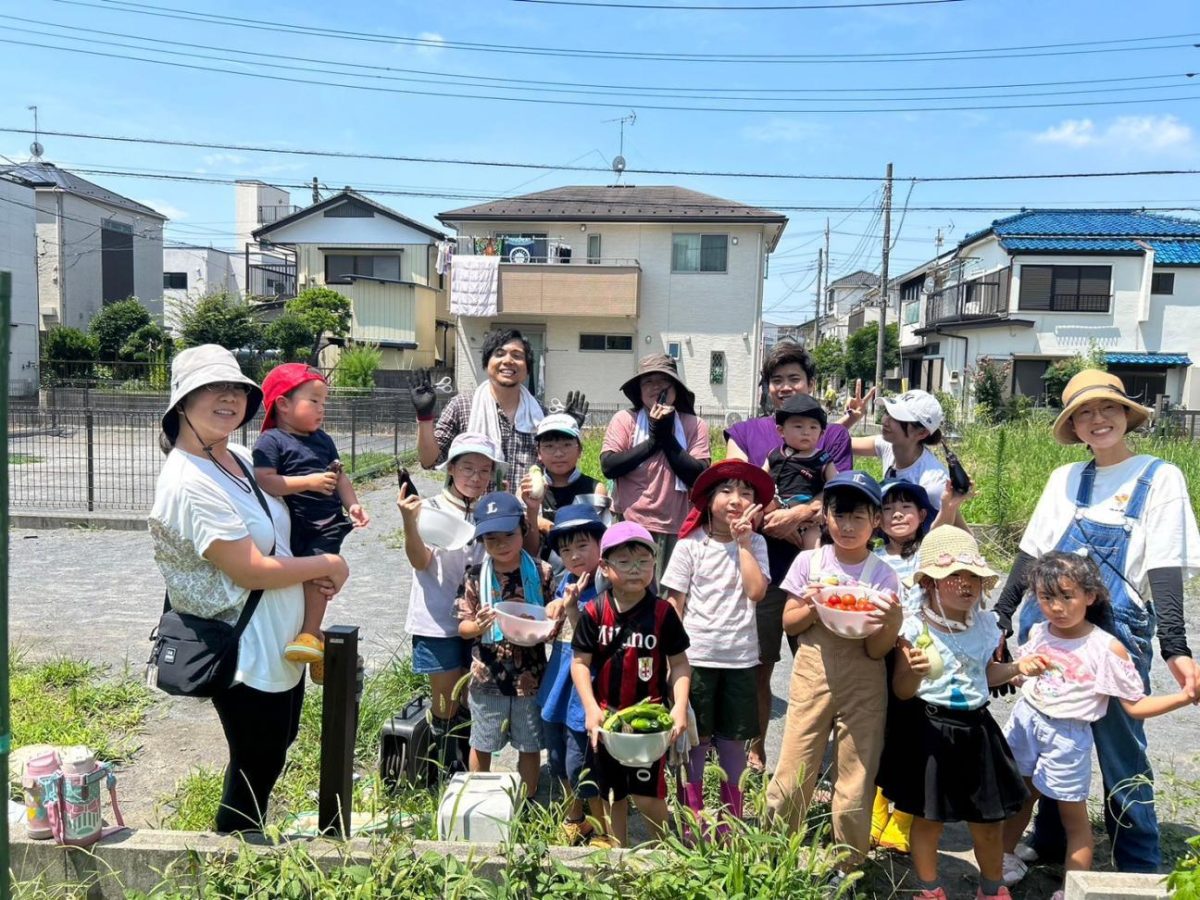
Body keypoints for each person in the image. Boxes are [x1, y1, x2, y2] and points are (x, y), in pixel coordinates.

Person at [993, 369, 1200, 874]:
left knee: (1120, 750)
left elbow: (1165, 565)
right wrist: (1000, 619)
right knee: (1051, 736)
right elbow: (1031, 556)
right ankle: (1049, 843)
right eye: (1083, 412)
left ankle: (1138, 860)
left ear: (1127, 414)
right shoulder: (1065, 478)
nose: (1097, 419)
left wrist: (1175, 645)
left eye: (1107, 408)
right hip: (1050, 626)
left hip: (1117, 635)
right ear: (1073, 425)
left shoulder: (1160, 476)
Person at [149, 345, 348, 833]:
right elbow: (251, 570)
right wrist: (326, 563)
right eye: (212, 389)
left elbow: (284, 527)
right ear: (181, 403)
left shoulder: (236, 456)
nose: (229, 398)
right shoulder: (186, 481)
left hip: (279, 643)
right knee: (255, 763)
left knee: (276, 747)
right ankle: (233, 853)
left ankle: (243, 847)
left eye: (237, 389)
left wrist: (314, 561)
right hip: (244, 651)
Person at [1001, 552, 1194, 900]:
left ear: (1090, 596)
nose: (1056, 607)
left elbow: (1135, 706)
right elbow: (1023, 675)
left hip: (1067, 737)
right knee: (1020, 797)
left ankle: (1073, 889)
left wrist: (1183, 697)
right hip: (1026, 722)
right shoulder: (1040, 631)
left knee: (1073, 818)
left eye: (1066, 596)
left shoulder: (1106, 648)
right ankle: (1003, 859)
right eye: (1046, 598)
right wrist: (1016, 669)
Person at [881, 526, 1039, 900]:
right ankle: (930, 888)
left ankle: (991, 888)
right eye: (953, 576)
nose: (966, 585)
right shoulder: (913, 626)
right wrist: (914, 672)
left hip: (976, 728)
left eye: (973, 577)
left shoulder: (986, 625)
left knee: (988, 819)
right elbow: (901, 690)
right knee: (928, 818)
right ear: (930, 582)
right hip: (929, 728)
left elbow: (985, 674)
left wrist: (1018, 668)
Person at [723, 343, 856, 772]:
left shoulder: (832, 434)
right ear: (767, 389)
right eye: (777, 380)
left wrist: (799, 512)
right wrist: (762, 516)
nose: (785, 387)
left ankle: (813, 762)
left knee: (818, 667)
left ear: (810, 384)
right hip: (764, 568)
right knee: (758, 665)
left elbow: (840, 494)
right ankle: (756, 751)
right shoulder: (745, 433)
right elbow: (737, 494)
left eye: (794, 378)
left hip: (814, 568)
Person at [764, 471, 903, 865]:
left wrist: (891, 622)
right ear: (824, 515)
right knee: (794, 768)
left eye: (859, 516)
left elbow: (877, 651)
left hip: (864, 678)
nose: (847, 525)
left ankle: (848, 865)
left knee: (855, 779)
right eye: (839, 515)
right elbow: (789, 622)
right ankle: (776, 855)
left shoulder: (882, 574)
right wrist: (813, 603)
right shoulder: (810, 561)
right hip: (813, 670)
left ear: (876, 520)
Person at [661, 460, 771, 832]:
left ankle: (731, 822)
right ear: (708, 500)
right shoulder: (690, 545)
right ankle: (693, 823)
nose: (736, 499)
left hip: (740, 658)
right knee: (694, 741)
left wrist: (743, 543)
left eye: (746, 492)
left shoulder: (755, 544)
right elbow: (675, 604)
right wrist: (670, 660)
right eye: (726, 491)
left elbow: (756, 591)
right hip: (697, 657)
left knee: (734, 743)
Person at [571, 522, 692, 847]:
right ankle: (618, 855)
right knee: (612, 794)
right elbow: (580, 663)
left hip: (648, 726)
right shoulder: (595, 612)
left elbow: (679, 663)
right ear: (605, 568)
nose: (635, 569)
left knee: (649, 795)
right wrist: (590, 709)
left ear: (655, 565)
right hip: (606, 720)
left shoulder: (663, 613)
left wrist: (679, 707)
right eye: (624, 562)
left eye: (643, 561)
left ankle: (669, 852)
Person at [252, 364, 369, 683]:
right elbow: (267, 481)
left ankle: (307, 634)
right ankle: (317, 642)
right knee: (294, 587)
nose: (322, 409)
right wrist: (307, 482)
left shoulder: (324, 441)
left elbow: (339, 477)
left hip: (325, 523)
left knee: (318, 575)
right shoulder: (270, 442)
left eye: (324, 402)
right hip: (291, 527)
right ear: (283, 404)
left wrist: (354, 504)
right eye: (314, 401)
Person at [396, 432, 504, 773]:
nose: (476, 477)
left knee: (474, 700)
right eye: (467, 467)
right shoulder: (428, 509)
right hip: (436, 620)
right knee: (445, 703)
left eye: (484, 470)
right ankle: (443, 772)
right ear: (451, 469)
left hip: (480, 622)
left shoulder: (492, 510)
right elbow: (419, 561)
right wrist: (409, 524)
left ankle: (470, 772)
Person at [455, 491, 556, 799]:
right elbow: (462, 627)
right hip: (488, 676)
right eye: (491, 539)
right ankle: (478, 797)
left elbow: (554, 619)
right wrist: (479, 625)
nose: (501, 544)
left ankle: (525, 800)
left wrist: (549, 622)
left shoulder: (541, 572)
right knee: (482, 741)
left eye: (508, 535)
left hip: (531, 676)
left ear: (524, 530)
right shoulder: (475, 576)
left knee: (529, 744)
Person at [869, 478, 945, 855]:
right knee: (880, 733)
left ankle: (903, 819)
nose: (897, 513)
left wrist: (953, 507)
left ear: (923, 516)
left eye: (907, 507)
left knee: (916, 736)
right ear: (877, 520)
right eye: (887, 508)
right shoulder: (872, 558)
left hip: (920, 657)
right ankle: (875, 811)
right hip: (880, 655)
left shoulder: (930, 555)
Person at [413, 328, 588, 489]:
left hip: (527, 515)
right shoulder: (463, 405)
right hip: (473, 514)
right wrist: (424, 416)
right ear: (486, 363)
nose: (508, 360)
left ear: (527, 369)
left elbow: (556, 472)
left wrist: (567, 432)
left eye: (517, 356)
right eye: (499, 353)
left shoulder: (540, 415)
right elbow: (430, 462)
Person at [601, 354, 710, 577]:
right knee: (628, 591)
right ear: (639, 390)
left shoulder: (694, 425)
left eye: (663, 381)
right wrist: (652, 441)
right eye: (648, 381)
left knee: (668, 599)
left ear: (675, 388)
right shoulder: (625, 420)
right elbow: (609, 466)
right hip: (630, 522)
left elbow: (699, 477)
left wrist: (667, 437)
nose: (655, 387)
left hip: (676, 527)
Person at [537, 504, 607, 845]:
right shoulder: (565, 579)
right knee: (559, 756)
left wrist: (571, 610)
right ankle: (574, 816)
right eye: (566, 550)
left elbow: (591, 644)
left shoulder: (608, 586)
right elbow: (554, 632)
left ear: (600, 544)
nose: (574, 555)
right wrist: (553, 614)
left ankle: (602, 824)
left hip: (586, 684)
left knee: (584, 761)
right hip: (558, 681)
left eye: (582, 546)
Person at [763, 394, 839, 551]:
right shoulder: (774, 454)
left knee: (813, 543)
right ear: (781, 430)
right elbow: (760, 480)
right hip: (776, 511)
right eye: (798, 426)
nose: (806, 432)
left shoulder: (823, 459)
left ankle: (815, 572)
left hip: (808, 518)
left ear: (821, 434)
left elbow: (836, 487)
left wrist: (816, 509)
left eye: (813, 427)